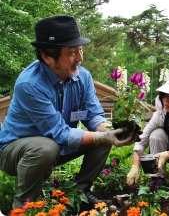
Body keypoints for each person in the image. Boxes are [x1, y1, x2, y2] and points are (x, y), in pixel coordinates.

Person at [0, 15, 138, 209]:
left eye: (80, 50)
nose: (80, 58)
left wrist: (114, 131)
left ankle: (79, 193)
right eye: (72, 52)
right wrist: (103, 135)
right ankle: (25, 207)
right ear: (47, 56)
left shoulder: (83, 77)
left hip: (55, 145)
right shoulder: (30, 84)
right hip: (16, 152)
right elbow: (59, 134)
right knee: (46, 148)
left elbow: (93, 115)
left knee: (104, 137)